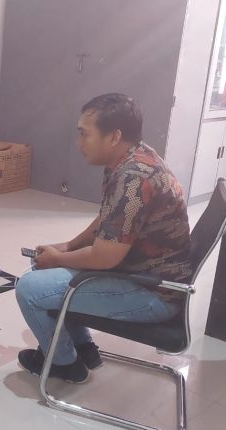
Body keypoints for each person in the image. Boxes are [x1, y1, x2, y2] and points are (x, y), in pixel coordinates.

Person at [15, 93, 192, 383]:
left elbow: (104, 257)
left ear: (114, 136)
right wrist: (68, 247)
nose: (79, 142)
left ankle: (64, 364)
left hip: (154, 293)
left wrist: (60, 258)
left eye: (85, 134)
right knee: (44, 268)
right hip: (145, 276)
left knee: (29, 288)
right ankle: (84, 347)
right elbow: (109, 221)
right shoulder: (133, 158)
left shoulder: (133, 178)